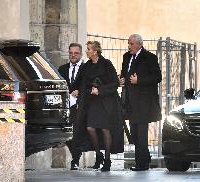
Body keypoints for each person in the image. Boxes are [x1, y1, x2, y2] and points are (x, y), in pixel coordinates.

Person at [73, 41, 124, 171]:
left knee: (105, 129)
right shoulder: (86, 66)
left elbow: (114, 83)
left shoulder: (106, 64)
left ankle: (107, 160)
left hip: (106, 102)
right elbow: (79, 81)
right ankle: (98, 154)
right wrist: (76, 90)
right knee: (90, 128)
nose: (87, 51)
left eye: (89, 49)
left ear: (95, 51)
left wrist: (100, 90)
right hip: (91, 102)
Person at [119, 34, 162, 171]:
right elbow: (124, 73)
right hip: (130, 101)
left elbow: (157, 77)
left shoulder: (149, 57)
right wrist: (122, 79)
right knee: (134, 133)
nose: (129, 46)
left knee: (141, 133)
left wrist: (140, 80)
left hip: (144, 102)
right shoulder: (126, 57)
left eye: (131, 43)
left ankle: (141, 164)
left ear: (139, 44)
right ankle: (145, 159)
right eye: (128, 43)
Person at [58, 43, 84, 170]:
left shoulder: (86, 68)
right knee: (66, 133)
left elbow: (90, 84)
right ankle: (75, 156)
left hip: (80, 105)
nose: (73, 55)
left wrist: (80, 91)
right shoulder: (62, 68)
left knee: (78, 132)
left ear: (81, 54)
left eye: (76, 53)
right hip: (66, 105)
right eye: (71, 53)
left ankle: (76, 160)